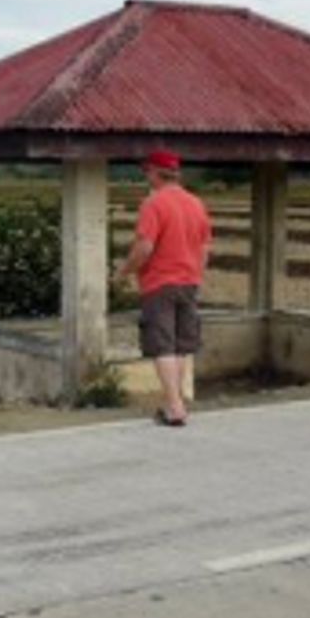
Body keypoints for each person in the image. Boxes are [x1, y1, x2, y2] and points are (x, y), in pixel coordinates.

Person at [115, 149, 212, 427]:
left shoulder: (153, 204)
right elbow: (205, 247)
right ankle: (175, 401)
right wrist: (196, 275)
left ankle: (174, 407)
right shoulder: (196, 203)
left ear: (155, 173)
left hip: (159, 283)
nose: (146, 176)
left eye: (146, 171)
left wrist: (123, 272)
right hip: (189, 282)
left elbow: (145, 247)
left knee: (162, 346)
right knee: (181, 347)